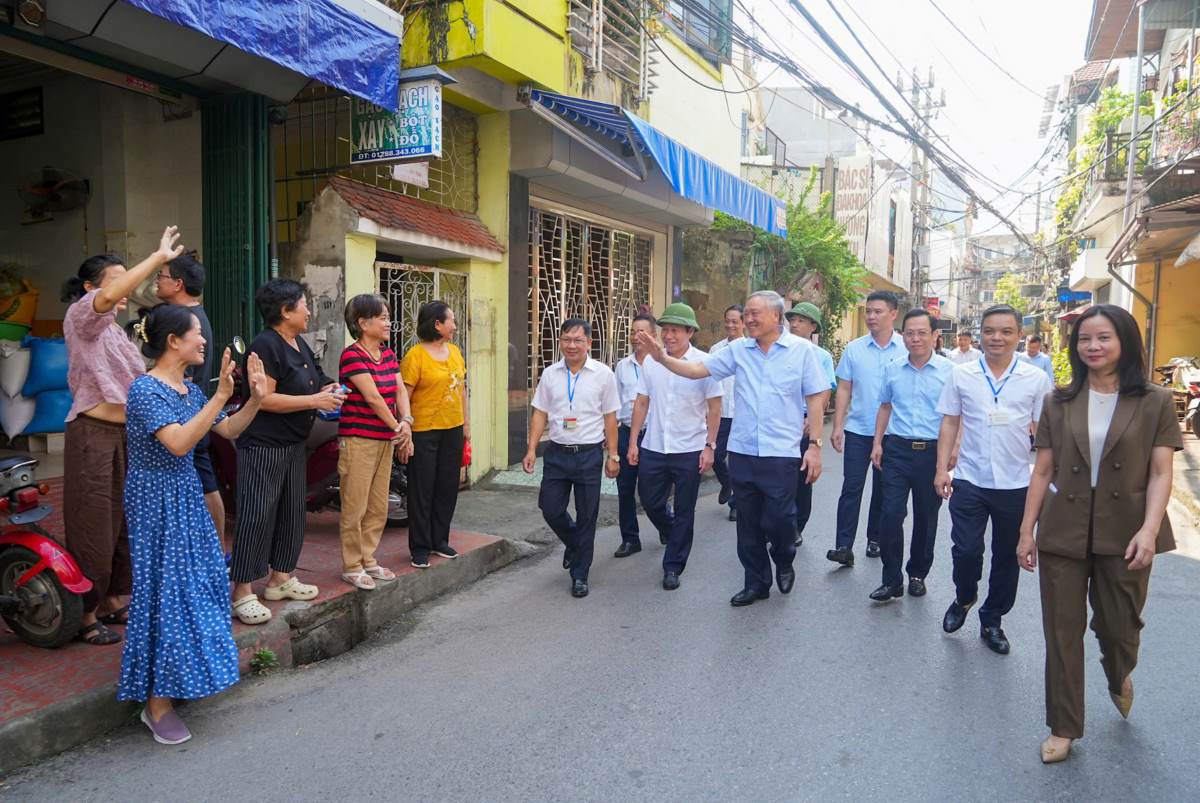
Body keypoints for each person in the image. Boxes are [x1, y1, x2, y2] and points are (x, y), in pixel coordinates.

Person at [1017, 305, 1181, 764]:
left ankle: (1119, 671)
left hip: (1127, 533)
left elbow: (1161, 472)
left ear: (1124, 342)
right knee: (1061, 633)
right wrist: (1026, 530)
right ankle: (1064, 726)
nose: (1093, 347)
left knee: (1118, 628)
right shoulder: (1058, 401)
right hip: (1063, 531)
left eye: (1104, 338)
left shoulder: (1155, 400)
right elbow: (1042, 469)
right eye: (1085, 339)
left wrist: (1149, 530)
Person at [119, 304, 268, 745]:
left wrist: (255, 398)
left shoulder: (187, 389)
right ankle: (156, 702)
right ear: (172, 342)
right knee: (165, 593)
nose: (204, 340)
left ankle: (181, 677)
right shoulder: (145, 390)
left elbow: (228, 431)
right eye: (196, 333)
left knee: (199, 586)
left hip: (186, 497)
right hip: (155, 502)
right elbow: (181, 443)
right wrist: (220, 395)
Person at [637, 291, 829, 607]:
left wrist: (815, 446)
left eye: (755, 314)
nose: (748, 319)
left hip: (781, 452)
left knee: (781, 520)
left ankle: (783, 558)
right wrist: (661, 358)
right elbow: (698, 370)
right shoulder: (739, 350)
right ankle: (756, 583)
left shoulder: (802, 352)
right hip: (742, 450)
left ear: (776, 317)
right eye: (747, 313)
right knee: (748, 524)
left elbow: (816, 399)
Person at [61, 226, 185, 645]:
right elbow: (109, 299)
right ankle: (83, 613)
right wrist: (155, 258)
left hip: (126, 436)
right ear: (90, 287)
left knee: (122, 525)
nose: (125, 288)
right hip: (93, 434)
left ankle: (112, 598)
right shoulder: (83, 317)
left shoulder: (117, 333)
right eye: (117, 278)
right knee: (93, 523)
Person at [934, 304, 1052, 655]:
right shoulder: (962, 374)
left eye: (1005, 331)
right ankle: (965, 595)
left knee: (1006, 556)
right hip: (970, 478)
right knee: (966, 550)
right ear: (980, 334)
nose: (996, 338)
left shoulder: (1036, 379)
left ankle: (992, 618)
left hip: (1016, 483)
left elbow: (1044, 432)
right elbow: (950, 421)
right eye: (989, 331)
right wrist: (942, 468)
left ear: (1019, 336)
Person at [230, 279, 343, 625]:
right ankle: (243, 591)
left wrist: (330, 387)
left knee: (293, 511)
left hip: (294, 443)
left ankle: (281, 578)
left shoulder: (297, 343)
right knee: (257, 514)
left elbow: (318, 378)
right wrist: (315, 400)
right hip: (264, 445)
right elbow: (265, 399)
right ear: (285, 310)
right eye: (304, 304)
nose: (309, 310)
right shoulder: (265, 346)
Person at [627, 303, 722, 590]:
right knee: (650, 501)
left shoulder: (704, 363)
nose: (668, 336)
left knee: (684, 509)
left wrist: (710, 446)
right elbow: (642, 402)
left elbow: (715, 407)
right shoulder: (650, 362)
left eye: (675, 330)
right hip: (655, 446)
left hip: (690, 447)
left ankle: (673, 565)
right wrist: (633, 441)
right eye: (664, 330)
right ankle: (671, 531)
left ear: (690, 332)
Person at [523, 319, 621, 598]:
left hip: (589, 454)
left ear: (589, 343)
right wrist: (531, 449)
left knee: (587, 515)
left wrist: (613, 456)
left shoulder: (603, 375)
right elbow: (540, 412)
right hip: (557, 453)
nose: (572, 345)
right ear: (560, 342)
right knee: (550, 507)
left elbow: (610, 417)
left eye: (578, 340)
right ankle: (575, 544)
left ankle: (580, 575)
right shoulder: (550, 374)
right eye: (567, 339)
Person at [868, 309, 954, 602]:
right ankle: (891, 579)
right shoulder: (892, 369)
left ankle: (917, 573)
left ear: (934, 336)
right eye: (909, 333)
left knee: (926, 517)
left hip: (932, 453)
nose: (915, 338)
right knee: (890, 514)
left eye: (921, 333)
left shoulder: (950, 372)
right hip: (897, 450)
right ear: (902, 335)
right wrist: (877, 443)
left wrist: (953, 450)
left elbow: (957, 416)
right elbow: (885, 407)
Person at [337, 294, 415, 589]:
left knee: (378, 505)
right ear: (362, 323)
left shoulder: (389, 354)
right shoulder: (352, 355)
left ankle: (369, 559)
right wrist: (399, 427)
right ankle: (352, 564)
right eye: (382, 317)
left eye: (387, 316)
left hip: (385, 438)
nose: (388, 322)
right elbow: (372, 397)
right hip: (358, 439)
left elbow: (399, 392)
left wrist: (405, 422)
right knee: (355, 504)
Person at [154, 253, 226, 551]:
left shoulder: (191, 323)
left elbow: (188, 381)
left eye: (162, 276)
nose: (156, 282)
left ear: (179, 284)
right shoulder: (187, 316)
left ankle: (218, 548)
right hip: (187, 419)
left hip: (186, 420)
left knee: (205, 482)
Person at [828, 291, 904, 566]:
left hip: (893, 433)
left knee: (884, 489)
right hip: (858, 430)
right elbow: (844, 388)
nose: (871, 316)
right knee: (852, 487)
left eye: (877, 311)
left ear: (893, 314)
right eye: (868, 311)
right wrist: (838, 425)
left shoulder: (906, 348)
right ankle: (843, 545)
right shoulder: (854, 349)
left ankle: (875, 538)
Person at [401, 301, 469, 569]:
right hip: (423, 431)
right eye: (450, 320)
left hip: (452, 428)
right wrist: (404, 427)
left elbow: (462, 390)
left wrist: (466, 426)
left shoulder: (454, 352)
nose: (454, 325)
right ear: (437, 324)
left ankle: (439, 539)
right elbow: (403, 396)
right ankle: (419, 546)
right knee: (422, 489)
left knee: (447, 486)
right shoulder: (415, 356)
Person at [784, 301, 836, 546]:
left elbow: (824, 392)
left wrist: (810, 419)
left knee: (802, 479)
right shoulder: (779, 349)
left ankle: (796, 526)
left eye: (801, 321)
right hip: (782, 424)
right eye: (792, 319)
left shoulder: (821, 357)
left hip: (805, 423)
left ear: (813, 327)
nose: (794, 324)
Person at [613, 313, 657, 557]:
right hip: (626, 433)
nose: (637, 336)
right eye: (633, 332)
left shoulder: (664, 364)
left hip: (654, 435)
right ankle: (630, 538)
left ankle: (664, 521)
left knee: (653, 489)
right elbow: (615, 403)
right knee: (625, 488)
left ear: (653, 335)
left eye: (643, 331)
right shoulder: (622, 366)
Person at [709, 304, 744, 522]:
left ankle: (736, 504)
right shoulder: (715, 350)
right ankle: (727, 483)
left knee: (739, 462)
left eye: (735, 321)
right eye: (727, 320)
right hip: (720, 414)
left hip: (742, 414)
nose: (730, 325)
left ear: (743, 323)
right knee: (716, 456)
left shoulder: (751, 349)